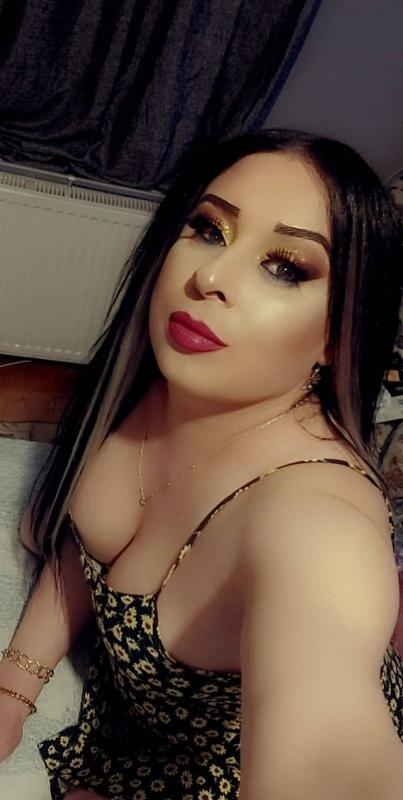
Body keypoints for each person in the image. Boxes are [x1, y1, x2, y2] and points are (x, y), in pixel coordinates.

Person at [0, 129, 403, 800]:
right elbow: (81, 551)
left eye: (285, 267)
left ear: (337, 335)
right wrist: (14, 690)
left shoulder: (316, 519)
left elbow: (328, 734)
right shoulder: (165, 384)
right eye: (210, 230)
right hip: (128, 729)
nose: (208, 278)